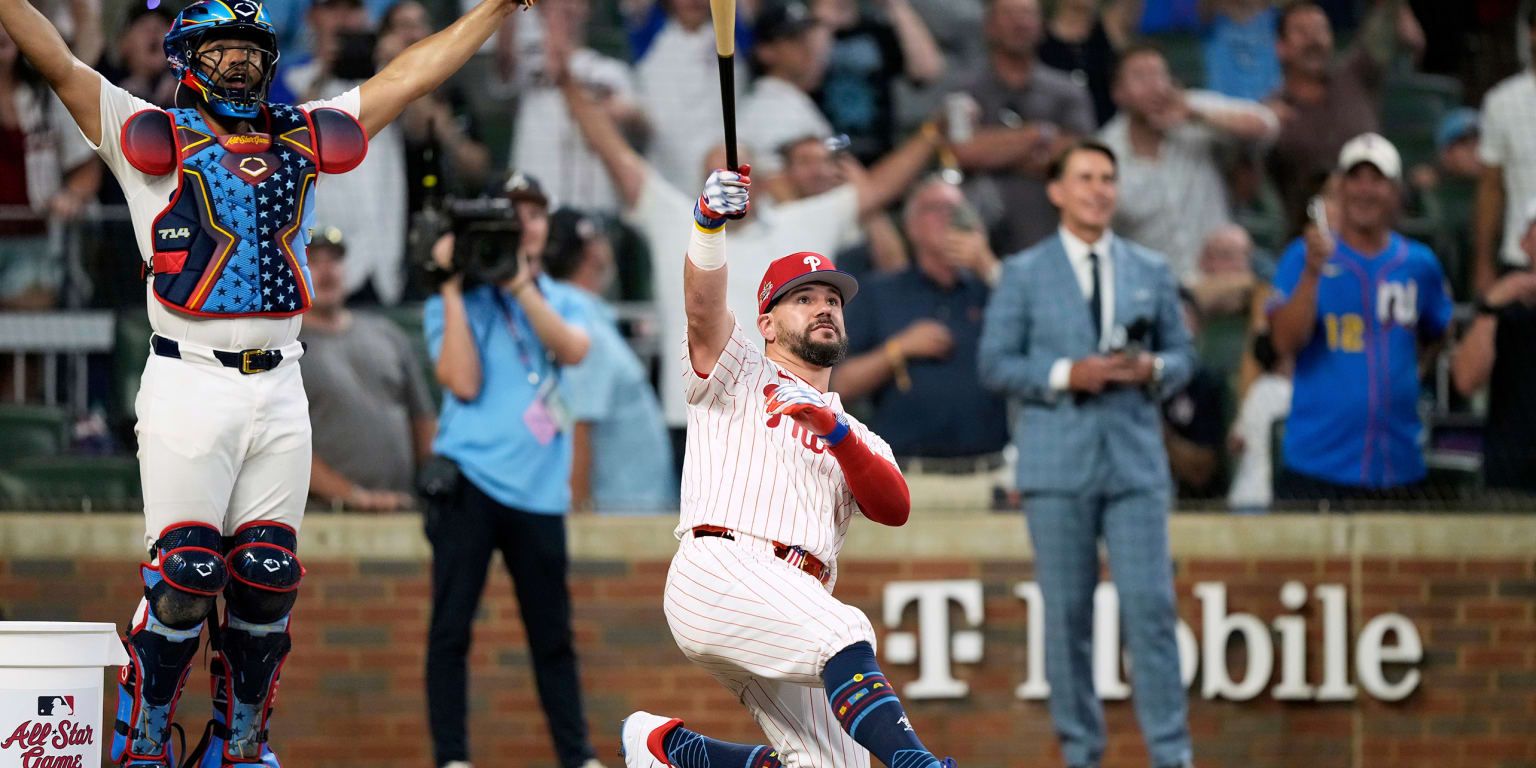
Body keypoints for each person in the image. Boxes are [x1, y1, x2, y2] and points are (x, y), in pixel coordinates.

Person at [0, 0, 540, 763]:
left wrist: (491, 8)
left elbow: (407, 76)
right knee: (183, 574)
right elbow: (58, 62)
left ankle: (241, 744)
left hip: (282, 378)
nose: (242, 62)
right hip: (188, 376)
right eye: (223, 49)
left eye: (251, 48)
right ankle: (144, 740)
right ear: (187, 57)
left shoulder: (302, 133)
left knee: (268, 575)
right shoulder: (144, 128)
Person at [618, 160, 958, 768]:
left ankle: (671, 750)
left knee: (834, 765)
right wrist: (706, 228)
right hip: (719, 567)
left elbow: (895, 508)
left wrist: (834, 430)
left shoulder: (856, 434)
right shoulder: (740, 369)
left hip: (792, 600)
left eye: (832, 299)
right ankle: (920, 764)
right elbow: (701, 307)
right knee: (846, 633)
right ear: (767, 322)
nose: (824, 307)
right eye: (803, 298)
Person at [555, 26, 942, 448]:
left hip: (781, 418)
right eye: (717, 175)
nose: (731, 184)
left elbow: (880, 189)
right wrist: (565, 82)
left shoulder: (801, 223)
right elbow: (616, 155)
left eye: (737, 173)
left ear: (757, 179)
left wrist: (930, 134)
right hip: (693, 419)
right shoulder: (674, 218)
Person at [977, 139, 1196, 768]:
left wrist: (1152, 366)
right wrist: (1067, 373)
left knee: (1152, 611)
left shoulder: (1150, 269)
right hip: (1057, 464)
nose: (1098, 189)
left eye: (1108, 178)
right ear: (1057, 191)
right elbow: (994, 363)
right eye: (1085, 178)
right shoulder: (1022, 272)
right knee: (1067, 618)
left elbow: (1184, 360)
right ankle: (1080, 754)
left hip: (1134, 464)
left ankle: (1172, 755)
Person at [422, 173, 607, 768]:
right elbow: (463, 381)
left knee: (554, 638)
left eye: (534, 213)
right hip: (469, 482)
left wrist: (520, 284)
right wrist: (452, 286)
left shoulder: (563, 296)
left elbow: (575, 348)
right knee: (451, 628)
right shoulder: (453, 300)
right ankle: (452, 757)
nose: (525, 224)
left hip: (539, 493)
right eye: (513, 214)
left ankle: (576, 756)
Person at [1267, 133, 1453, 502]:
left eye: (1377, 180)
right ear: (1340, 185)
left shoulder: (1419, 264)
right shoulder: (1302, 257)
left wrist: (1415, 369)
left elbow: (1439, 330)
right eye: (1355, 178)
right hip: (1318, 464)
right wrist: (1312, 272)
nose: (1365, 190)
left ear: (1396, 191)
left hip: (1398, 463)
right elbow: (1283, 343)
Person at [834, 177, 1009, 467]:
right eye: (935, 208)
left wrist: (987, 265)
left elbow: (1048, 329)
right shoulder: (879, 293)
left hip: (988, 465)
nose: (948, 216)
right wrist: (898, 349)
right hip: (905, 468)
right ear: (911, 227)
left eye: (957, 209)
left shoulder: (994, 289)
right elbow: (839, 384)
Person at [1099, 43, 1278, 284]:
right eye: (1140, 77)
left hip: (1222, 276)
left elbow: (1267, 126)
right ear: (1118, 93)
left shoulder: (1192, 109)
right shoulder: (1105, 153)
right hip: (1156, 288)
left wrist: (1198, 116)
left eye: (1159, 75)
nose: (1154, 86)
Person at [543, 207, 676, 512]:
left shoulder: (574, 314)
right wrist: (577, 525)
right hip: (618, 513)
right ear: (593, 252)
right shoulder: (580, 322)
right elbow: (577, 424)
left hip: (628, 510)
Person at [298, 226, 436, 511]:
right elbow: (277, 442)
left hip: (404, 507)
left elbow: (422, 418)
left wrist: (432, 483)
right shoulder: (283, 347)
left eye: (334, 261)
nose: (327, 271)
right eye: (314, 261)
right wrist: (351, 495)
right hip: (324, 516)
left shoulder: (387, 333)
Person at [948, 0, 1095, 257]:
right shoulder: (964, 88)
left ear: (1042, 26)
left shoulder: (1067, 91)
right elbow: (964, 151)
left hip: (1053, 229)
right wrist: (1039, 135)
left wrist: (996, 152)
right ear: (989, 26)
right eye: (1010, 14)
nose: (1020, 22)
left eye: (1027, 14)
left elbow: (1081, 158)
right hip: (981, 233)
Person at [1265, 0, 1423, 236]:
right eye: (1302, 32)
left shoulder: (1355, 75)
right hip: (1314, 240)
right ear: (1281, 47)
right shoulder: (1271, 113)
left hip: (1385, 233)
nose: (1314, 40)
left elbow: (1387, 21)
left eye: (1320, 30)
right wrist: (1265, 122)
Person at [507, 0, 644, 216]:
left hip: (597, 213)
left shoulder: (609, 71)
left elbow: (641, 126)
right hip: (535, 209)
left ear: (587, 8)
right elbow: (503, 62)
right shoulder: (525, 65)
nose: (565, 6)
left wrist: (614, 113)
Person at [1451, 197, 1536, 495]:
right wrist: (1490, 308)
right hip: (1511, 478)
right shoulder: (1504, 310)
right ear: (1526, 242)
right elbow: (1465, 380)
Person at [810, 0, 946, 164]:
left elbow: (927, 71)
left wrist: (896, 6)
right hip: (823, 150)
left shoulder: (875, 29)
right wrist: (822, 21)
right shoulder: (799, 26)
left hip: (879, 151)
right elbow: (807, 77)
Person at [1473, 8, 1536, 294]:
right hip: (1519, 256)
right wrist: (1483, 263)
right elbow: (1490, 188)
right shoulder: (1501, 102)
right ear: (1531, 33)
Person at [739, 1, 836, 179]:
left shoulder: (792, 98)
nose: (806, 46)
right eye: (793, 39)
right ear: (765, 51)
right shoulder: (767, 111)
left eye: (806, 36)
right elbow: (776, 185)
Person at [1227, 331, 1292, 513]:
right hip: (1270, 499)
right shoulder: (1288, 393)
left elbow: (1234, 443)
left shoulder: (1255, 390)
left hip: (1242, 496)